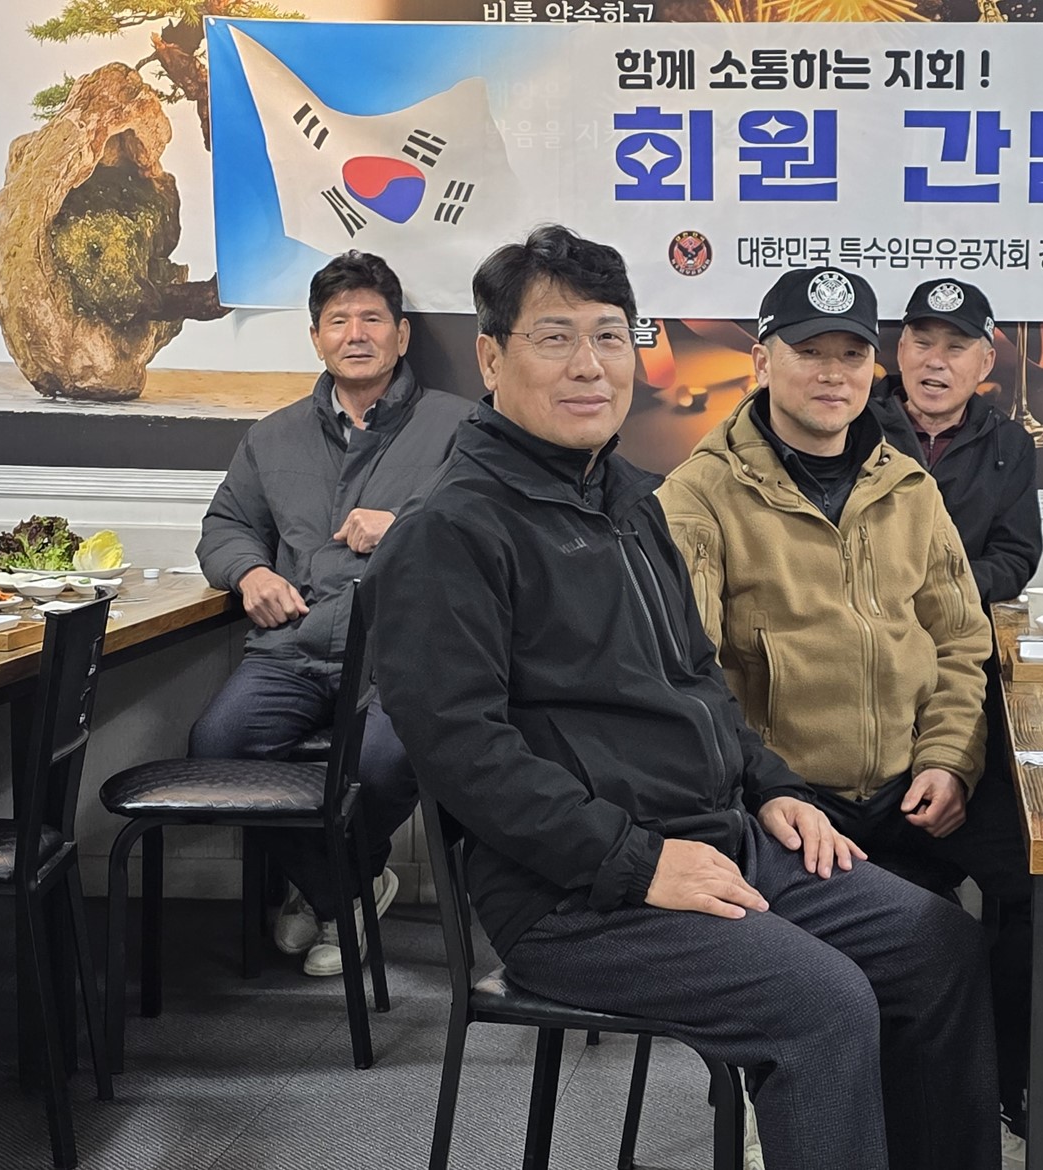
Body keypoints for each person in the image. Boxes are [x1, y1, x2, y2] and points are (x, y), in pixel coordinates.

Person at [370, 227, 998, 1170]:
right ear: (491, 359)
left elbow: (697, 677)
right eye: (554, 338)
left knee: (935, 944)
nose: (589, 366)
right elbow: (463, 754)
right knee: (823, 1001)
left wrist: (773, 786)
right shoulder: (449, 531)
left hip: (714, 833)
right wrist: (634, 862)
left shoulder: (629, 501)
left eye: (609, 336)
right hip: (575, 892)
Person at [663, 269, 1043, 1156]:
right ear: (761, 361)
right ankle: (809, 1106)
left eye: (850, 354)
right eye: (808, 352)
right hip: (790, 801)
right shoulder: (698, 494)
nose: (832, 373)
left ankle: (997, 1092)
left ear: (872, 368)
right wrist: (767, 790)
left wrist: (948, 759)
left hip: (908, 781)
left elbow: (959, 641)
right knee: (923, 945)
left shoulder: (906, 486)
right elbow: (687, 677)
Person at [192, 250, 475, 977]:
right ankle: (342, 890)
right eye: (338, 320)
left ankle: (322, 891)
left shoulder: (461, 425)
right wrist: (249, 571)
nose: (356, 334)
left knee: (384, 762)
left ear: (401, 335)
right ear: (316, 337)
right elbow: (225, 526)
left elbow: (490, 526)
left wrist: (403, 527)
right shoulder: (273, 434)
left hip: (403, 651)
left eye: (372, 319)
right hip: (294, 646)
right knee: (217, 745)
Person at [865, 278, 1042, 607]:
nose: (935, 361)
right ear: (901, 352)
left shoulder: (1010, 444)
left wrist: (944, 587)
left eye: (955, 348)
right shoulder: (856, 427)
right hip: (866, 615)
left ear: (986, 364)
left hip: (962, 617)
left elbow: (1015, 558)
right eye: (922, 344)